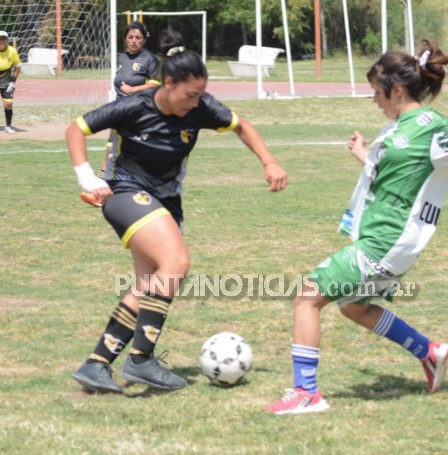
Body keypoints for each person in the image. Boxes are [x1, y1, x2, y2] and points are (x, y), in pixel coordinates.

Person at [265, 39, 448, 414]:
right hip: (381, 238)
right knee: (354, 307)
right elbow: (394, 177)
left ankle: (306, 393)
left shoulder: (431, 124)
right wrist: (364, 156)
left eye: (376, 92)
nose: (374, 100)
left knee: (307, 298)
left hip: (386, 240)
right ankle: (428, 353)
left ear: (396, 90)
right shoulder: (400, 128)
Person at [67, 30, 288, 394]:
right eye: (190, 95)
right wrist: (87, 177)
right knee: (177, 262)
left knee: (150, 284)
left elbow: (242, 125)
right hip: (125, 194)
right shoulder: (134, 107)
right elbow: (76, 129)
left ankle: (96, 365)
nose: (197, 102)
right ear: (168, 83)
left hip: (167, 201)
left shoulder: (200, 107)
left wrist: (269, 162)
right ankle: (141, 359)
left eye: (201, 95)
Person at [81, 21, 161, 208]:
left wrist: (134, 89)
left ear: (144, 40)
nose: (134, 41)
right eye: (130, 37)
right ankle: (103, 193)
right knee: (112, 152)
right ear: (125, 38)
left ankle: (109, 193)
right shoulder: (121, 58)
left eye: (138, 38)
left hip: (140, 113)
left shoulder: (149, 59)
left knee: (124, 153)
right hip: (120, 113)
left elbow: (157, 84)